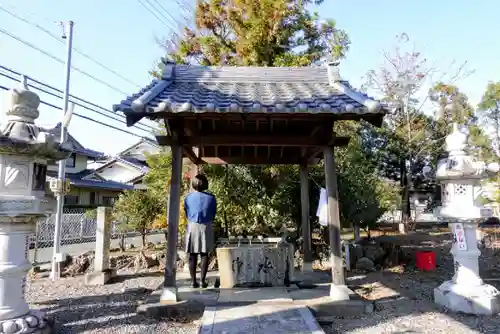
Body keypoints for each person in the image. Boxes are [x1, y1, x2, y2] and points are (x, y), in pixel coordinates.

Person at [184, 173, 217, 288]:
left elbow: (187, 213)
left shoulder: (188, 197)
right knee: (204, 254)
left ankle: (193, 281)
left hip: (192, 225)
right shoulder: (211, 198)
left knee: (192, 254)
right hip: (206, 225)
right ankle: (202, 281)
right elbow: (213, 214)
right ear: (205, 184)